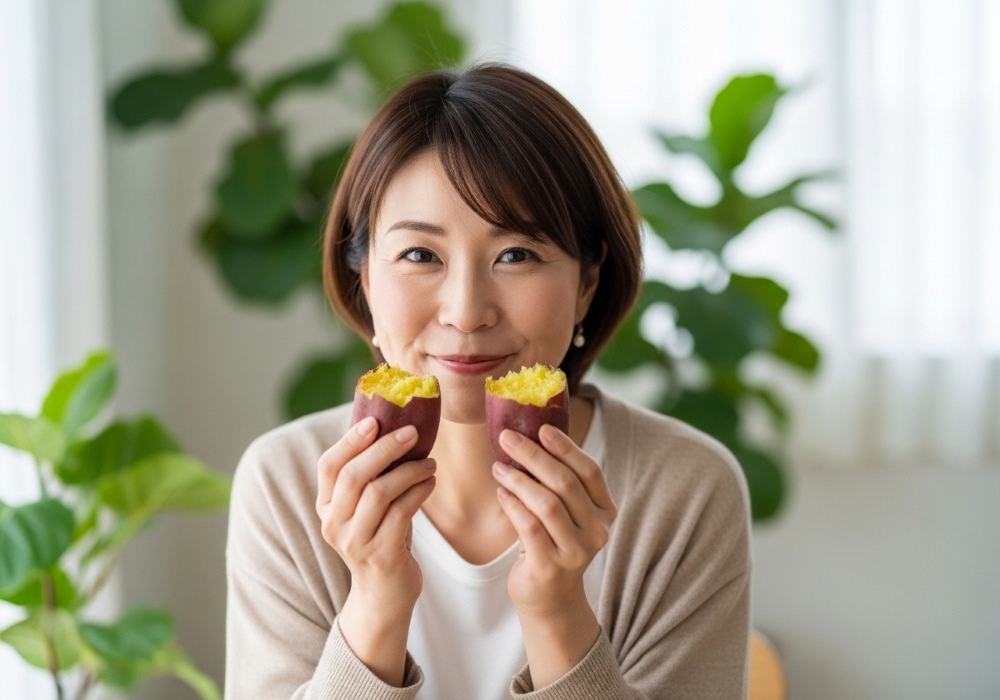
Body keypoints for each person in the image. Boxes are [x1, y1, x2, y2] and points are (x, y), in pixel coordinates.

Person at [225, 64, 751, 699]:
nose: (466, 311)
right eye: (420, 255)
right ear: (364, 280)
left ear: (587, 283)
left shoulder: (684, 493)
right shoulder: (285, 486)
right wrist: (376, 604)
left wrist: (557, 612)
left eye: (517, 255)